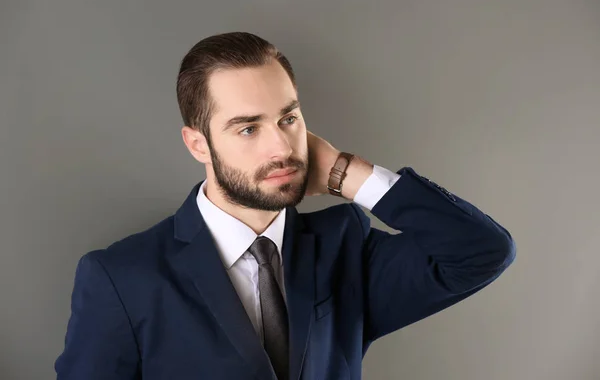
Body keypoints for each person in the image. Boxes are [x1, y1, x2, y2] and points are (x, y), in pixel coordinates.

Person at [55, 31, 516, 380]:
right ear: (198, 144)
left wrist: (344, 173)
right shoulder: (121, 277)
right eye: (248, 128)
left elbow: (480, 252)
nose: (281, 147)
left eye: (288, 118)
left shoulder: (344, 246)